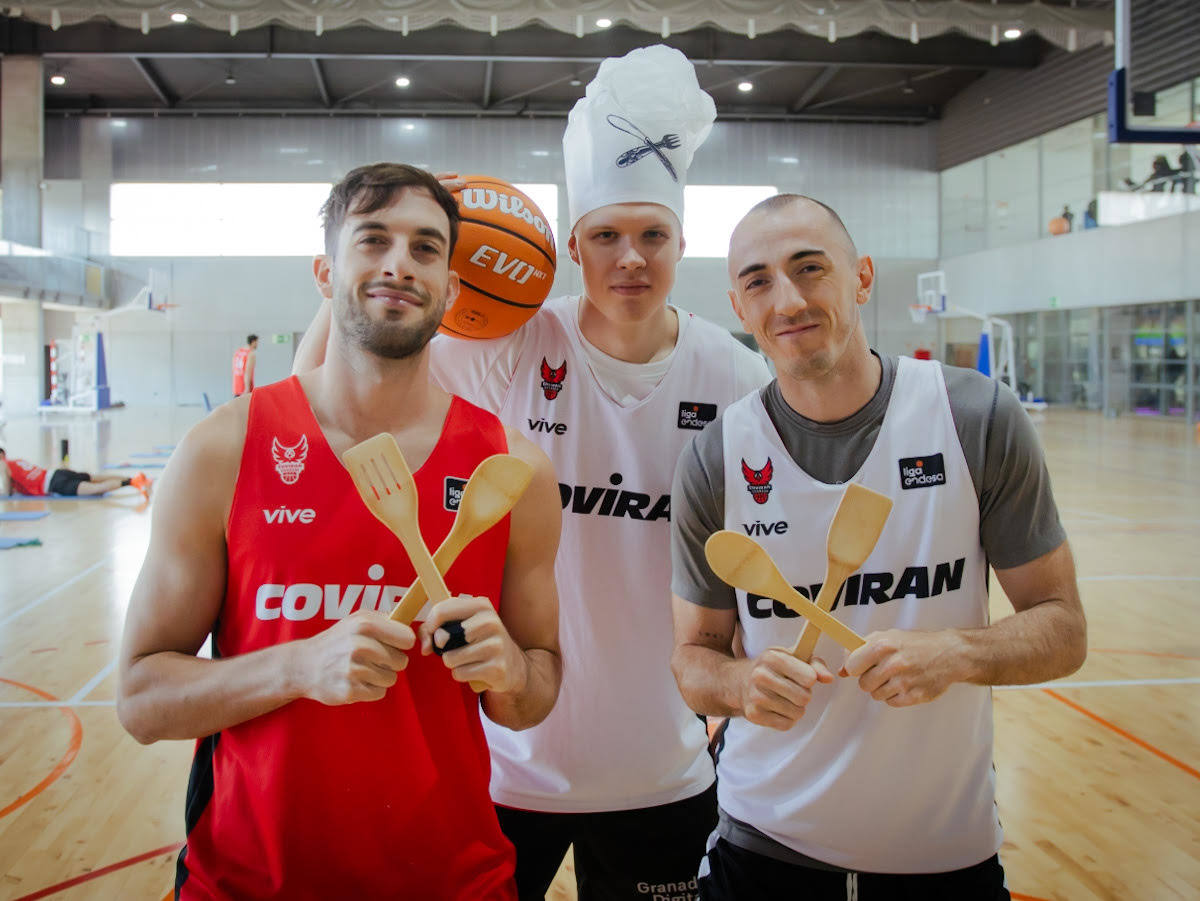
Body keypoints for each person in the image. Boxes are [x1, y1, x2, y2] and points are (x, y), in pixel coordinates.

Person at [293, 46, 771, 901]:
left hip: (665, 770)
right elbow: (334, 374)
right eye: (606, 237)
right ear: (572, 248)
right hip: (505, 764)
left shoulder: (734, 378)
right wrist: (406, 237)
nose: (631, 258)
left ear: (681, 244)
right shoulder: (507, 347)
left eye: (652, 235)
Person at [117, 164, 563, 900]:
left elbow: (535, 692)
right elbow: (139, 699)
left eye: (426, 248)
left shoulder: (513, 470)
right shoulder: (223, 450)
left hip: (454, 880)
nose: (399, 262)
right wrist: (298, 667)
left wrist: (509, 669)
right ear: (326, 273)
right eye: (373, 239)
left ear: (451, 291)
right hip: (247, 879)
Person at [669, 194, 1087, 899]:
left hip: (945, 852)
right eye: (759, 280)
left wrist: (960, 652)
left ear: (861, 277)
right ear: (739, 307)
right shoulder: (716, 457)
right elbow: (694, 659)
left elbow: (1064, 627)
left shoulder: (975, 416)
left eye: (811, 268)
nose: (789, 299)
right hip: (763, 845)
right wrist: (740, 684)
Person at [0, 447, 149, 499]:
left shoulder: (2, 465)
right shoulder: (15, 461)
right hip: (56, 473)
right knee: (93, 478)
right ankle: (135, 478)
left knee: (96, 489)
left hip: (55, 484)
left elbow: (7, 492)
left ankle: (133, 483)